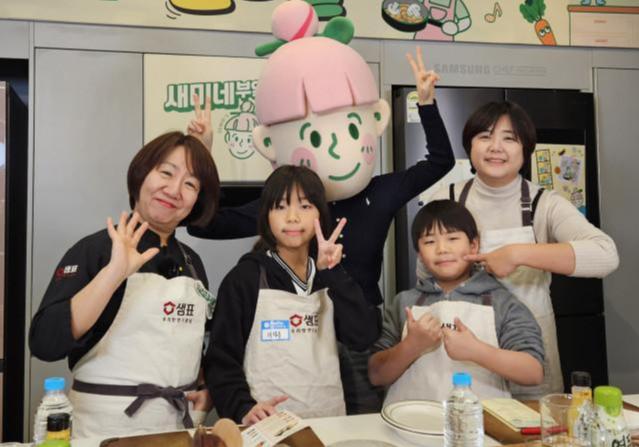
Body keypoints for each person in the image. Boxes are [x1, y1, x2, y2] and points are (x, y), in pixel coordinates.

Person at [194, 1, 455, 413]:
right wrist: (203, 156)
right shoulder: (287, 207)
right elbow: (204, 224)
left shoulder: (379, 193)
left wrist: (425, 102)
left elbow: (440, 161)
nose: (294, 215)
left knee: (357, 425)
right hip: (290, 337)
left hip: (357, 329)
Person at [29, 131, 220, 438]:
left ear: (197, 200)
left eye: (190, 184)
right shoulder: (96, 250)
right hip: (103, 430)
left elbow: (190, 342)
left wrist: (204, 386)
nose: (174, 190)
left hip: (174, 430)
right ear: (141, 174)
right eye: (166, 173)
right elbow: (45, 343)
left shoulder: (193, 262)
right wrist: (113, 274)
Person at [423, 101, 619, 398]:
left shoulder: (546, 204)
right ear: (470, 146)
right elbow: (425, 279)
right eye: (485, 136)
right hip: (461, 356)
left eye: (509, 138)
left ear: (525, 149)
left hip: (530, 358)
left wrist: (518, 254)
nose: (496, 147)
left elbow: (605, 254)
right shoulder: (446, 199)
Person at [204, 165, 380, 425]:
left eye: (305, 206)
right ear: (266, 216)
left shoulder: (330, 275)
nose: (293, 217)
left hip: (328, 422)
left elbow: (363, 337)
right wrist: (243, 408)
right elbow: (221, 360)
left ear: (321, 214)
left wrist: (333, 274)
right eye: (280, 207)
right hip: (265, 425)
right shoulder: (245, 279)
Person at [369, 200, 544, 403]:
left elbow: (533, 372)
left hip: (481, 421)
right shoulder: (404, 302)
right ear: (419, 254)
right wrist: (412, 345)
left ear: (473, 245)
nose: (442, 249)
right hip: (410, 419)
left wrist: (476, 351)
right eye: (429, 242)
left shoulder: (501, 302)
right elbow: (376, 375)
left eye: (452, 238)